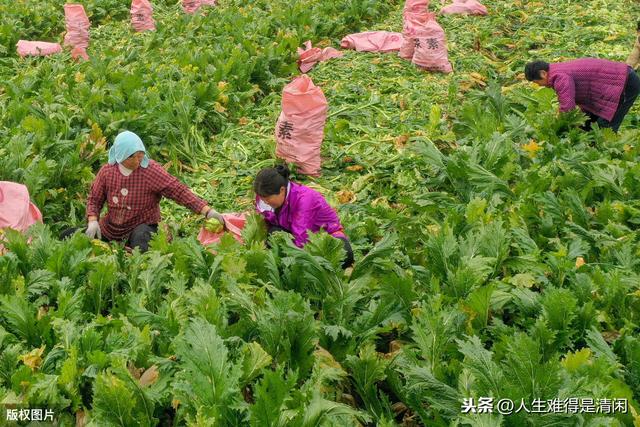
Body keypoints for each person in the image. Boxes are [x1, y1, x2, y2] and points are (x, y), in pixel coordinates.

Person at [61, 131, 224, 252]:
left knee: (141, 241)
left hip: (142, 226)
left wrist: (207, 211)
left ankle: (131, 255)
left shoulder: (150, 171)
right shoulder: (107, 172)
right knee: (68, 235)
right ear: (120, 156)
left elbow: (177, 191)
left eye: (140, 155)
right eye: (132, 157)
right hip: (112, 228)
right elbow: (95, 199)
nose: (138, 160)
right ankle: (113, 246)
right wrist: (92, 220)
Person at [254, 165, 354, 268]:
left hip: (325, 238)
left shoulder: (304, 199)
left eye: (267, 198)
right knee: (273, 233)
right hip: (294, 233)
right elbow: (267, 219)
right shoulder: (270, 197)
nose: (265, 201)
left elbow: (302, 239)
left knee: (344, 254)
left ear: (282, 190)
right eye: (262, 198)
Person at [524, 58, 640, 132]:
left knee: (605, 127)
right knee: (587, 123)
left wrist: (556, 126)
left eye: (536, 82)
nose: (538, 85)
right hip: (607, 86)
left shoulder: (559, 76)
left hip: (624, 82)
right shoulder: (556, 71)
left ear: (543, 73)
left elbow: (568, 108)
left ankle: (606, 157)